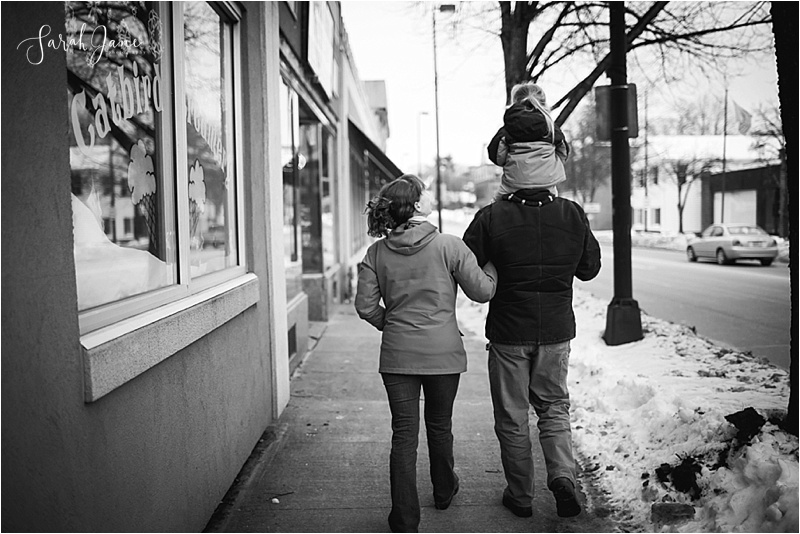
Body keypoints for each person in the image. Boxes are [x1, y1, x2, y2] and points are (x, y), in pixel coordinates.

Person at [462, 148, 601, 519]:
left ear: (508, 172)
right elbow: (589, 269)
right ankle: (563, 477)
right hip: (555, 330)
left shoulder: (491, 217)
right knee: (554, 408)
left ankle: (521, 496)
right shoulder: (572, 214)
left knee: (512, 416)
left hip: (509, 331)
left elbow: (465, 266)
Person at [355, 174, 497, 533]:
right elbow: (482, 291)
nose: (431, 195)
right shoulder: (449, 246)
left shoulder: (376, 253)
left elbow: (365, 306)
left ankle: (404, 519)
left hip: (397, 357)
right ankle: (444, 489)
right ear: (417, 205)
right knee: (439, 424)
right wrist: (493, 267)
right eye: (426, 193)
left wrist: (392, 324)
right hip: (442, 354)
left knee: (404, 434)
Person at [488, 82, 570, 200]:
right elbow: (563, 153)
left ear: (515, 101)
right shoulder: (552, 128)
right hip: (547, 184)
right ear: (544, 103)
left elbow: (497, 156)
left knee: (495, 206)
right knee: (555, 202)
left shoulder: (508, 129)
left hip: (514, 184)